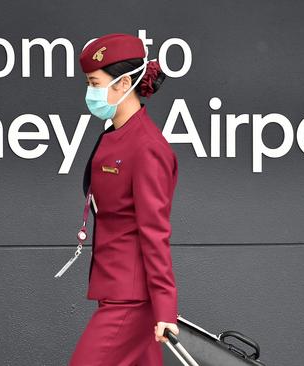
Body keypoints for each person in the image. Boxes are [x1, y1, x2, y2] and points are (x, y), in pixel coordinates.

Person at [69, 33, 180, 366]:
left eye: (95, 83)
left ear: (123, 83)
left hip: (131, 300)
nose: (90, 92)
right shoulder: (116, 133)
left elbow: (155, 232)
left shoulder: (147, 147)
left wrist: (165, 309)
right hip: (116, 289)